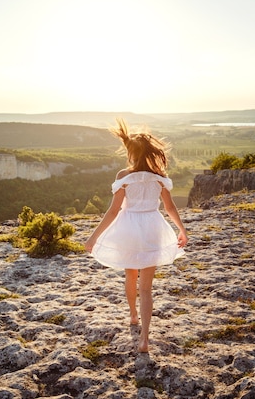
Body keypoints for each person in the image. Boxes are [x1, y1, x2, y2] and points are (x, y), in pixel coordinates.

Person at [85, 118, 188, 353]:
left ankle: (133, 315)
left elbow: (113, 211)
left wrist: (93, 237)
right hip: (152, 226)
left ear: (131, 153)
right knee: (147, 288)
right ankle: (144, 339)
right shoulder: (159, 176)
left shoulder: (124, 175)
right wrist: (181, 230)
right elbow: (170, 208)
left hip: (129, 226)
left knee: (130, 275)